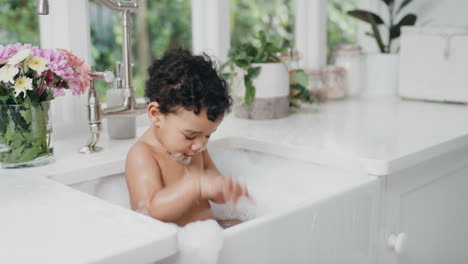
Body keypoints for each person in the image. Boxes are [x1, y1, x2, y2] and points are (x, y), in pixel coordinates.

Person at [125, 49, 252, 228]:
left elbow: (214, 187)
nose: (200, 144)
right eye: (190, 135)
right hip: (174, 245)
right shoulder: (143, 155)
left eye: (208, 135)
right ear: (156, 115)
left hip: (206, 234)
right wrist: (196, 185)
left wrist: (225, 189)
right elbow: (149, 212)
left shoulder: (196, 148)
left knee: (248, 226)